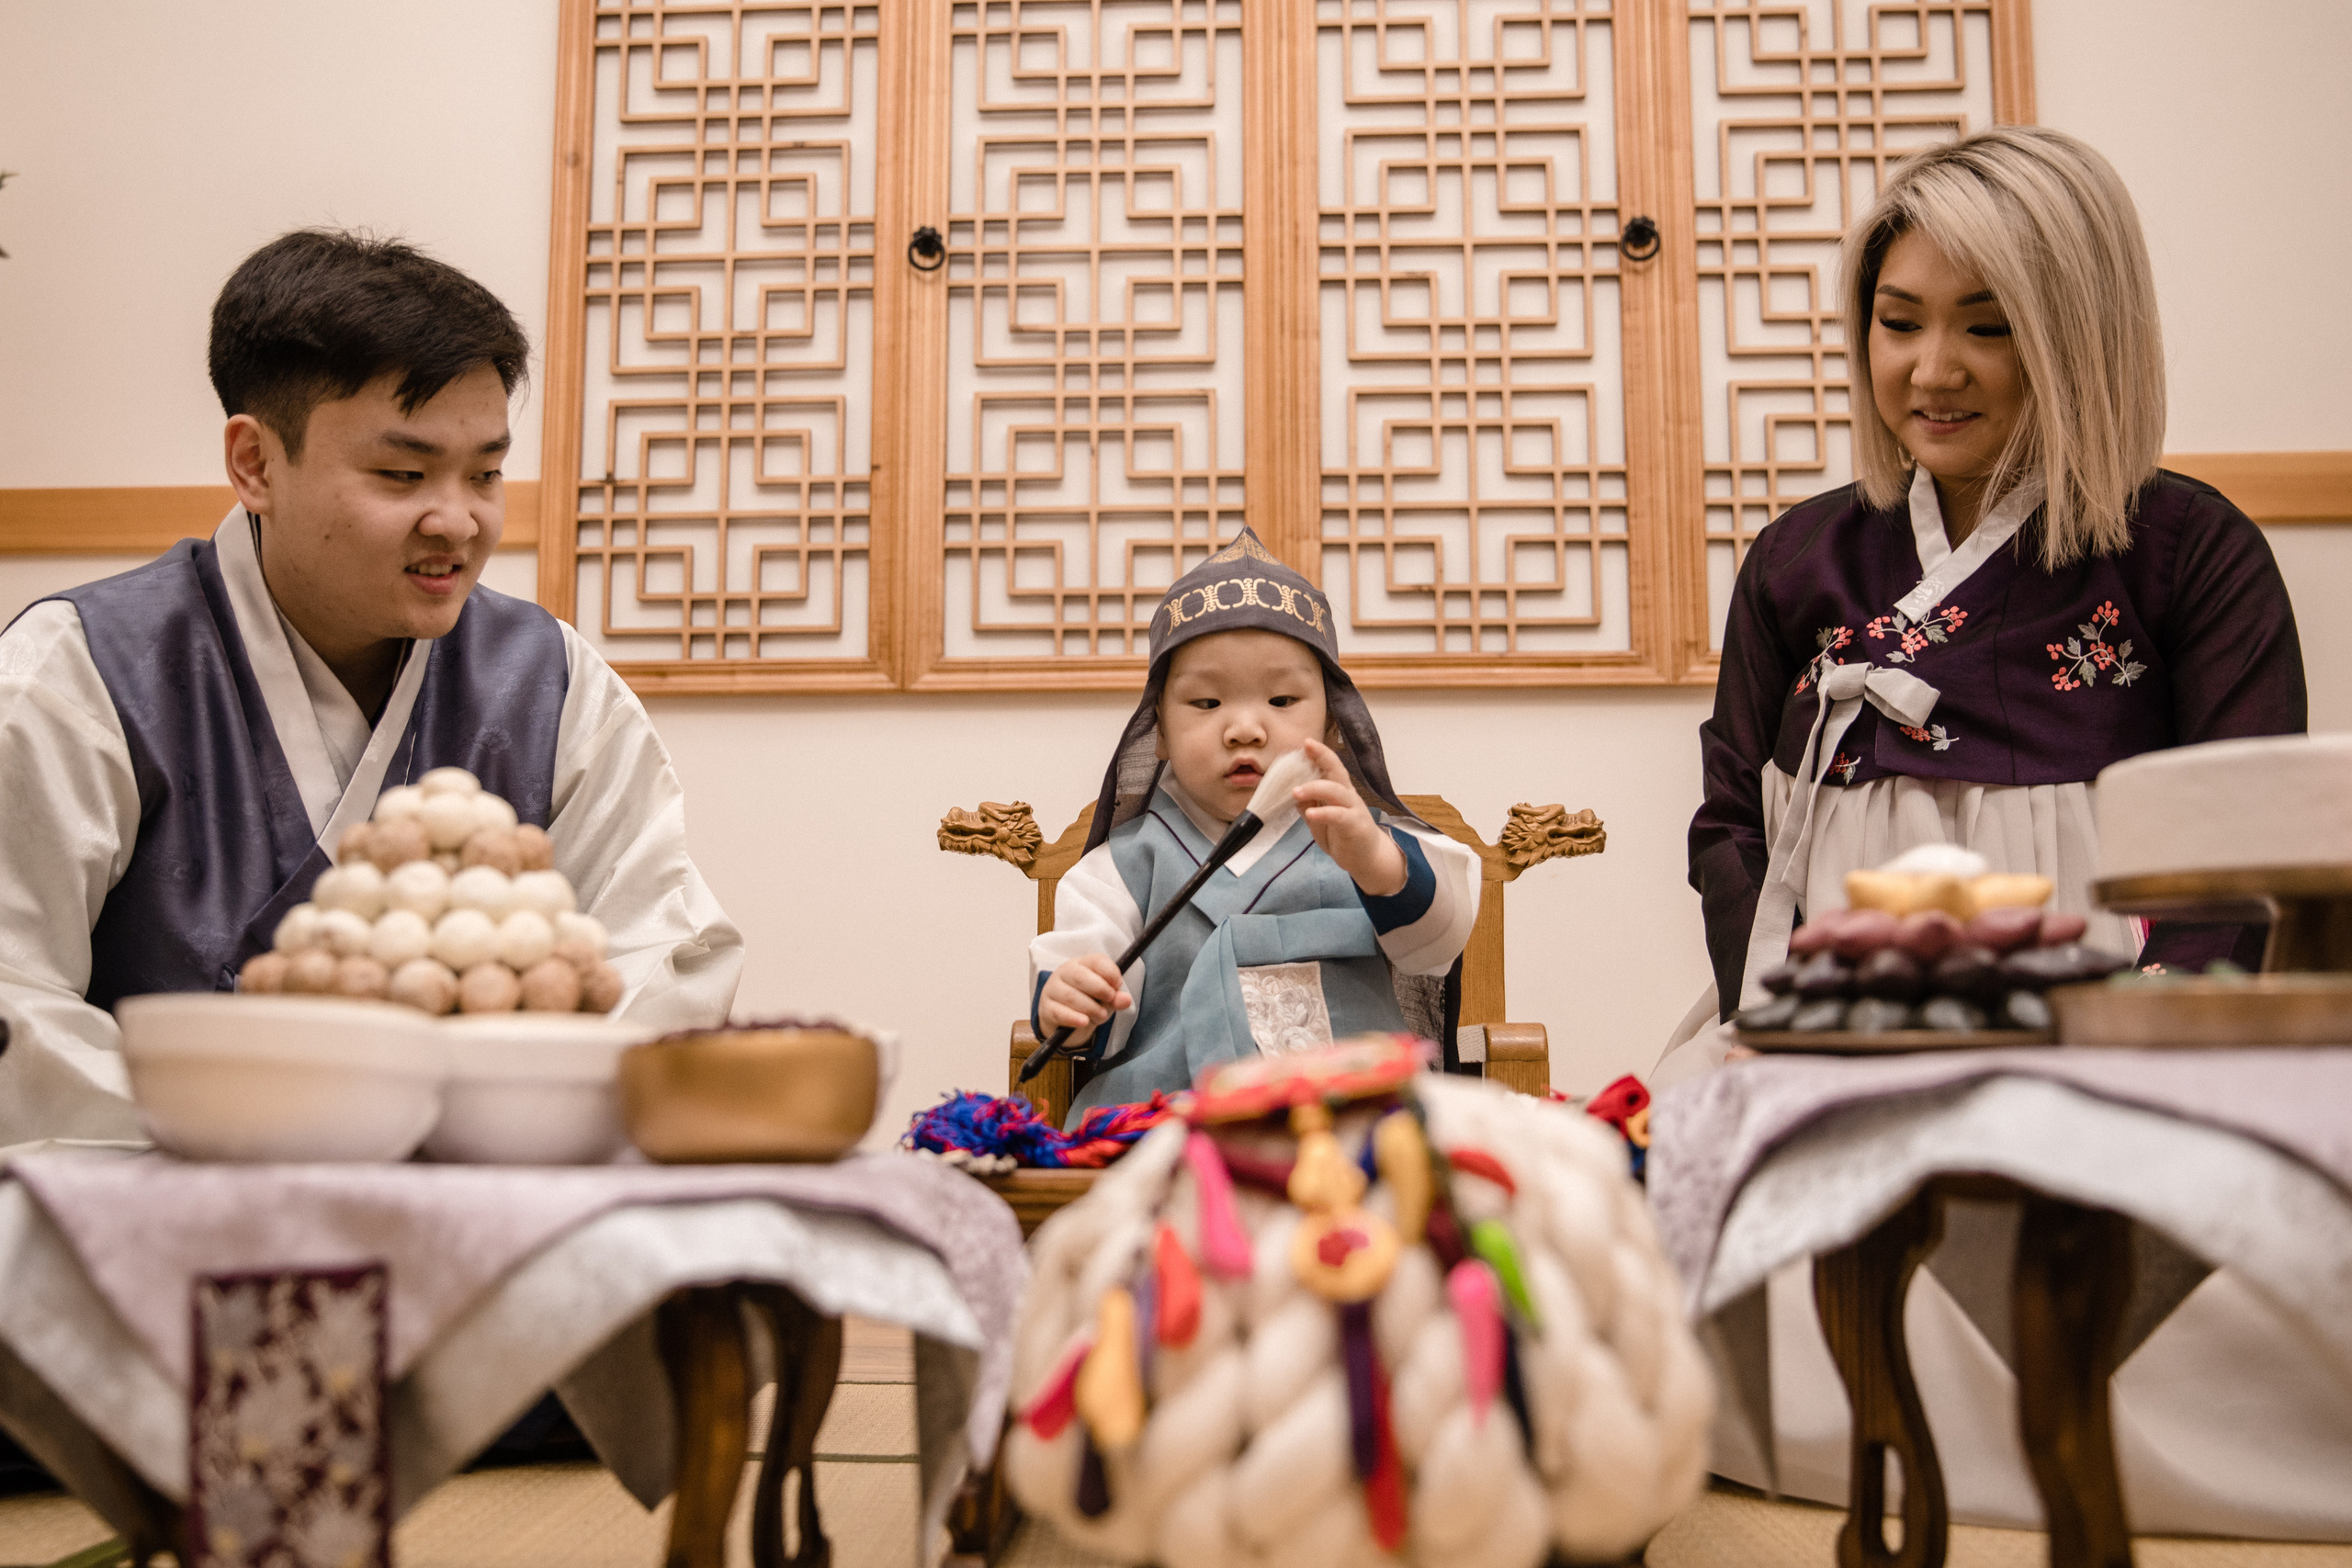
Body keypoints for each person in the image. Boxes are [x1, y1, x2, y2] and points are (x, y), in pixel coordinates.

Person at [1657, 128, 2340, 1535]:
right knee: (1677, 1197)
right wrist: (1770, 1011)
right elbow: (1731, 812)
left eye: (1988, 325)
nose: (1931, 368)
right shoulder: (1803, 558)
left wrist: (2152, 1047)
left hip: (2110, 1010)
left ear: (2078, 333)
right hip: (1844, 1010)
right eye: (1899, 323)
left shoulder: (2186, 550)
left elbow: (2247, 828)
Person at [0, 229, 742, 1155]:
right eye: (403, 474)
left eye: (485, 474)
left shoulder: (547, 683)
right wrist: (269, 1137)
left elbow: (657, 959)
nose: (458, 520)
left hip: (488, 1211)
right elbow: (13, 1004)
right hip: (158, 1229)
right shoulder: (81, 674)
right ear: (255, 464)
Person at [1032, 529, 1479, 1121]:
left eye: (1282, 701)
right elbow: (1089, 1011)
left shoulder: (1362, 840)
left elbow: (1438, 946)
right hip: (1172, 1121)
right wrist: (1069, 999)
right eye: (1207, 704)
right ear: (1158, 733)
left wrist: (1375, 859)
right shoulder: (1123, 866)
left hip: (1351, 1116)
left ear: (1332, 727)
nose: (1245, 728)